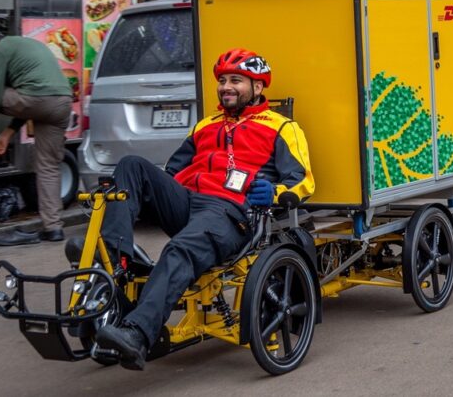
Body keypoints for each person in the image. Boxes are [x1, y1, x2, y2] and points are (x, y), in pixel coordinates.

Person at [93, 48, 315, 371]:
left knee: (180, 249)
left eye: (236, 81)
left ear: (258, 87)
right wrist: (142, 193)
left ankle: (138, 334)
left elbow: (305, 182)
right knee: (131, 166)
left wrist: (276, 192)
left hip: (232, 213)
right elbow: (171, 172)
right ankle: (116, 262)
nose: (226, 87)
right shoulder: (204, 126)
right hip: (189, 203)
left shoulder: (282, 128)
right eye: (222, 80)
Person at [0, 31, 73, 246]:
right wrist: (7, 134)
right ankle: (53, 228)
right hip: (62, 103)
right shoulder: (26, 45)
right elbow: (34, 99)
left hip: (37, 100)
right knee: (48, 166)